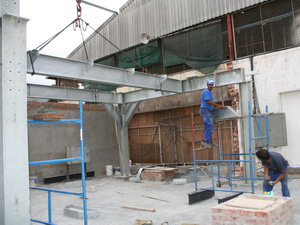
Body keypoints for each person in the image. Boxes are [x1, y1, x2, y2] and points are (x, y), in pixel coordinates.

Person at [200, 79, 224, 148]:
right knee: (210, 125)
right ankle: (205, 141)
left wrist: (215, 107)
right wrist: (218, 105)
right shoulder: (206, 91)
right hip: (205, 110)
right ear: (207, 85)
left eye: (212, 85)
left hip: (208, 110)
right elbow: (208, 101)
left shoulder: (210, 93)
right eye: (209, 85)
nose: (211, 86)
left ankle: (208, 143)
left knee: (208, 126)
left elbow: (210, 103)